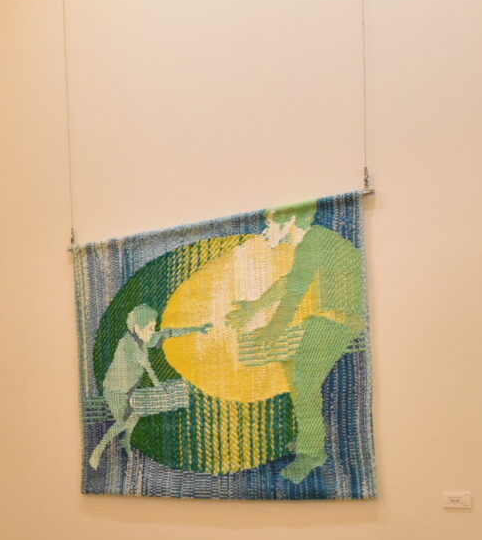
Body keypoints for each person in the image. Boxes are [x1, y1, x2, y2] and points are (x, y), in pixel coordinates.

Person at [225, 202, 365, 482]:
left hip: (339, 320)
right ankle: (308, 435)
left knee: (304, 381)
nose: (266, 231)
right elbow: (289, 283)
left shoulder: (315, 240)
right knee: (293, 371)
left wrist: (272, 332)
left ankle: (312, 454)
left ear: (289, 221)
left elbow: (293, 294)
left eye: (269, 224)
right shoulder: (315, 242)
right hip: (329, 318)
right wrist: (252, 309)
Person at [88, 303, 208, 471]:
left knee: (135, 415)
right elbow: (147, 366)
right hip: (115, 391)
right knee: (124, 420)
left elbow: (167, 333)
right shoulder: (127, 343)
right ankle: (98, 450)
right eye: (150, 328)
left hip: (130, 390)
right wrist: (160, 389)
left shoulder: (143, 339)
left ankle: (126, 441)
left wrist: (197, 329)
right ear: (137, 328)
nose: (153, 332)